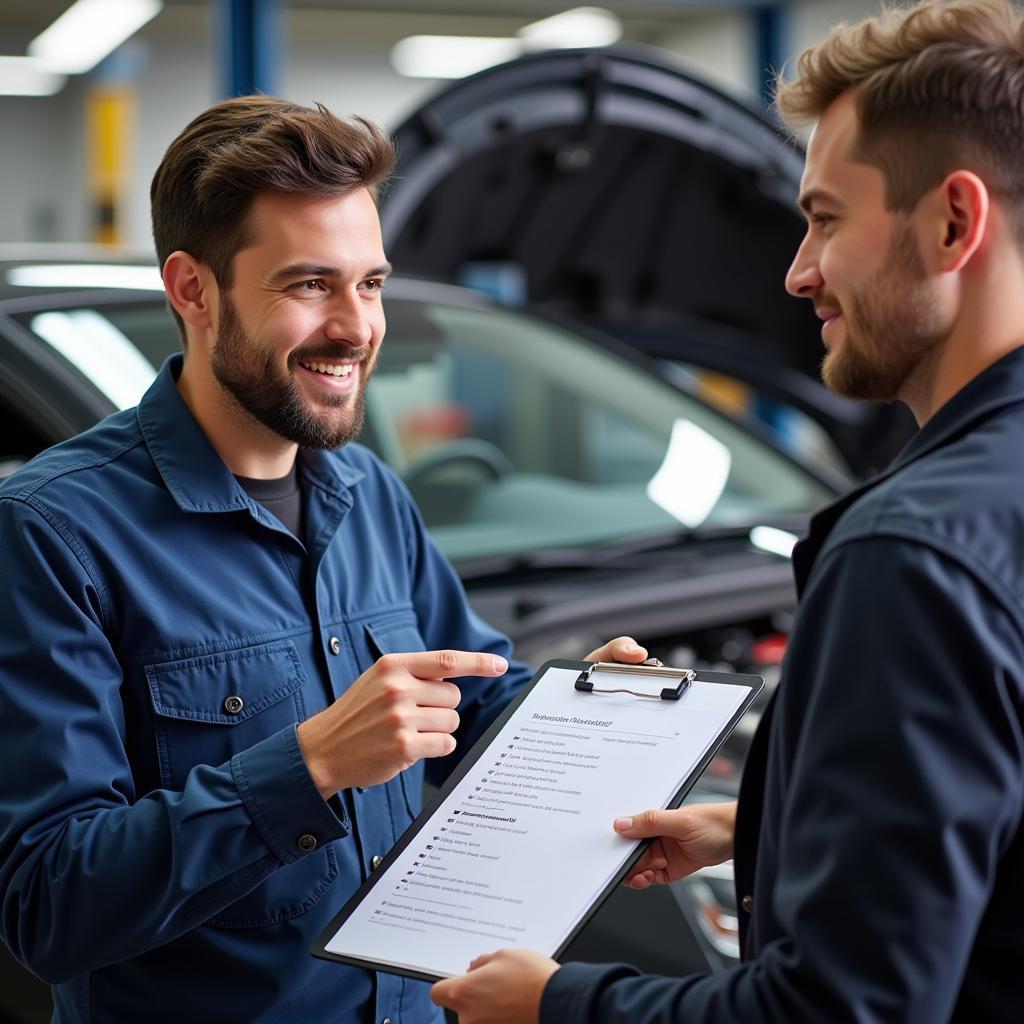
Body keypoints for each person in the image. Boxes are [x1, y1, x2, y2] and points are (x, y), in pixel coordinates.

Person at [430, 1, 1024, 1021]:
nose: (797, 271)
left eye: (827, 218)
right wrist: (768, 826)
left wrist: (557, 1003)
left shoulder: (909, 554)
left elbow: (841, 1010)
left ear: (953, 222)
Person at [0, 96, 645, 1023]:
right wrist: (305, 767)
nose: (356, 327)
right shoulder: (54, 534)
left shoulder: (369, 491)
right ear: (192, 290)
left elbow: (470, 695)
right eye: (309, 285)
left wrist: (585, 716)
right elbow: (47, 905)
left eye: (371, 283)